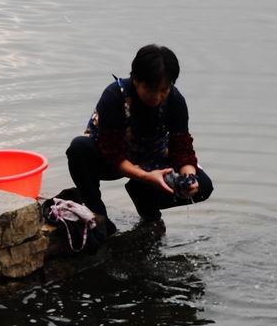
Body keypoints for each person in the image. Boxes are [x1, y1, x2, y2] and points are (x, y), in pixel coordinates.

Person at [66, 44, 213, 230]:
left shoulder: (175, 101)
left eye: (164, 89)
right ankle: (99, 217)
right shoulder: (114, 96)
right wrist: (146, 176)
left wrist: (189, 179)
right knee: (79, 148)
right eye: (151, 89)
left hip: (152, 158)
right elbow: (113, 154)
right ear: (136, 80)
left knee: (203, 186)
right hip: (112, 161)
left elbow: (182, 149)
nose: (157, 97)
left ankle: (146, 205)